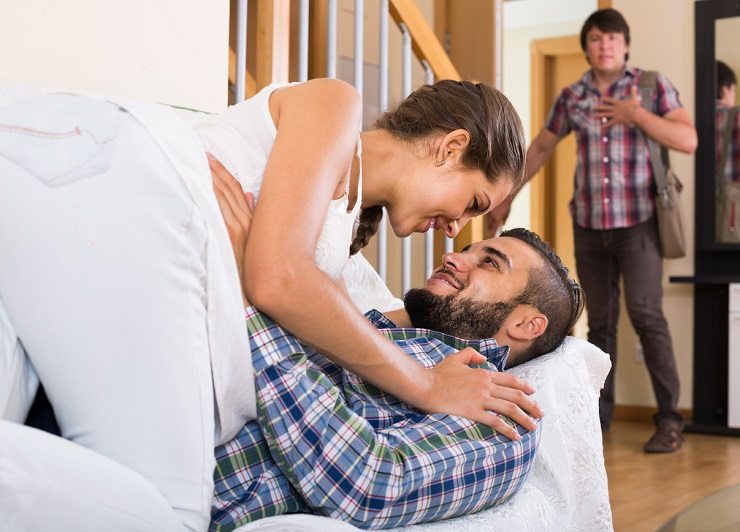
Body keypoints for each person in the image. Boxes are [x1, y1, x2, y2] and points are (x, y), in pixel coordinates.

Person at [0, 78, 526, 528]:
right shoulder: (335, 104)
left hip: (78, 238)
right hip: (127, 194)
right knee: (170, 515)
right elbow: (277, 277)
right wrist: (429, 384)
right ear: (451, 146)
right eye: (473, 203)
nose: (456, 228)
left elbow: (345, 318)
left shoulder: (335, 240)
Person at [209, 213, 584, 529]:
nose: (452, 257)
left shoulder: (506, 413)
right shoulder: (387, 335)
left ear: (526, 324)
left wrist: (247, 301)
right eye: (468, 250)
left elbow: (371, 484)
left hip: (200, 486)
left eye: (489, 263)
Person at [487, 8, 697, 453]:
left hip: (639, 223)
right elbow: (542, 147)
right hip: (588, 225)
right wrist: (505, 196)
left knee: (646, 316)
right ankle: (597, 422)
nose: (605, 45)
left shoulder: (649, 86)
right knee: (598, 324)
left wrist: (636, 115)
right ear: (587, 46)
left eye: (613, 38)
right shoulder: (572, 95)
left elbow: (688, 139)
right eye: (597, 38)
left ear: (625, 45)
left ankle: (670, 421)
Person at [716, 60, 739, 183]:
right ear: (724, 90)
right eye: (734, 90)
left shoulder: (688, 115)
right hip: (733, 199)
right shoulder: (737, 116)